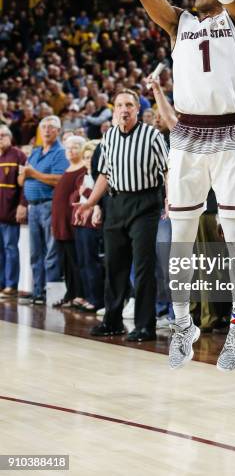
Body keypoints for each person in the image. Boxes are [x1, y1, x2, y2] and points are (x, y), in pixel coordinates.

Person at [104, 0, 235, 371]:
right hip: (188, 135)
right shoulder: (179, 25)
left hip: (232, 135)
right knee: (182, 235)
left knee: (234, 233)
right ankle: (184, 322)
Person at [75, 90, 168, 342]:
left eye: (129, 104)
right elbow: (104, 174)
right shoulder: (109, 138)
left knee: (143, 267)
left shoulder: (152, 135)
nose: (124, 109)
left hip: (145, 203)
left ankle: (145, 326)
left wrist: (170, 199)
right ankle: (113, 321)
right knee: (114, 265)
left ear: (137, 108)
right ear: (114, 109)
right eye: (119, 105)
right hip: (116, 203)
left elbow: (167, 169)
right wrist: (91, 203)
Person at [18, 116, 69, 304]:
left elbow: (59, 180)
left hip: (49, 205)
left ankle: (51, 293)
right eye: (44, 127)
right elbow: (22, 178)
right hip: (33, 207)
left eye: (51, 127)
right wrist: (26, 176)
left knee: (51, 252)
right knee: (35, 252)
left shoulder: (60, 153)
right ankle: (38, 291)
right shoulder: (36, 152)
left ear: (58, 131)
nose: (46, 130)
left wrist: (32, 174)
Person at [51, 136, 87, 309]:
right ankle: (70, 293)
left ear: (82, 149)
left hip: (72, 223)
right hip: (61, 222)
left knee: (76, 261)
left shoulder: (82, 170)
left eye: (74, 147)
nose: (70, 151)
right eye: (68, 148)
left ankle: (80, 294)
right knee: (66, 262)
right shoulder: (69, 168)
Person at [70, 140, 104, 312]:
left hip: (93, 225)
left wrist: (85, 193)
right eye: (85, 157)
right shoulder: (80, 177)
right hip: (80, 223)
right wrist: (79, 195)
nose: (88, 160)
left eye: (91, 157)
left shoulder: (99, 177)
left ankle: (96, 299)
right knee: (82, 261)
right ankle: (86, 295)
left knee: (92, 262)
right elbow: (73, 197)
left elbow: (99, 198)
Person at [0, 125, 27, 298]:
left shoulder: (18, 155)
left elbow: (25, 184)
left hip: (9, 212)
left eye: (2, 135)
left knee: (10, 249)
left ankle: (11, 285)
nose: (0, 138)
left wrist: (22, 204)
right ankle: (1, 283)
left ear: (10, 137)